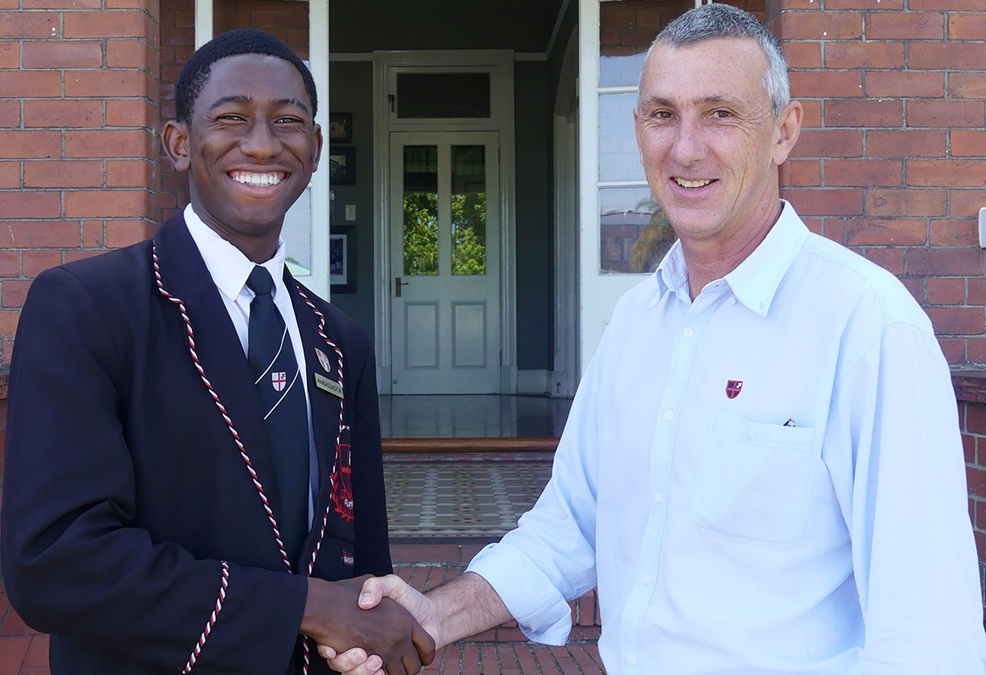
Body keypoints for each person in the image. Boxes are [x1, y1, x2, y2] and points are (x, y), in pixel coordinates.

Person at [320, 4, 986, 674]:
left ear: (784, 132)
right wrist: (435, 614)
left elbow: (929, 638)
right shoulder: (639, 323)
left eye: (720, 113)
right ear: (637, 129)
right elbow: (569, 527)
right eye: (663, 114)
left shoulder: (867, 327)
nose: (685, 147)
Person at [1, 29, 434, 675]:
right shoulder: (88, 307)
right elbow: (55, 561)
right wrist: (303, 606)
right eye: (231, 118)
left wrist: (363, 625)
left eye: (288, 122)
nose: (261, 142)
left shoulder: (341, 342)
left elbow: (357, 561)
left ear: (314, 150)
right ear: (179, 144)